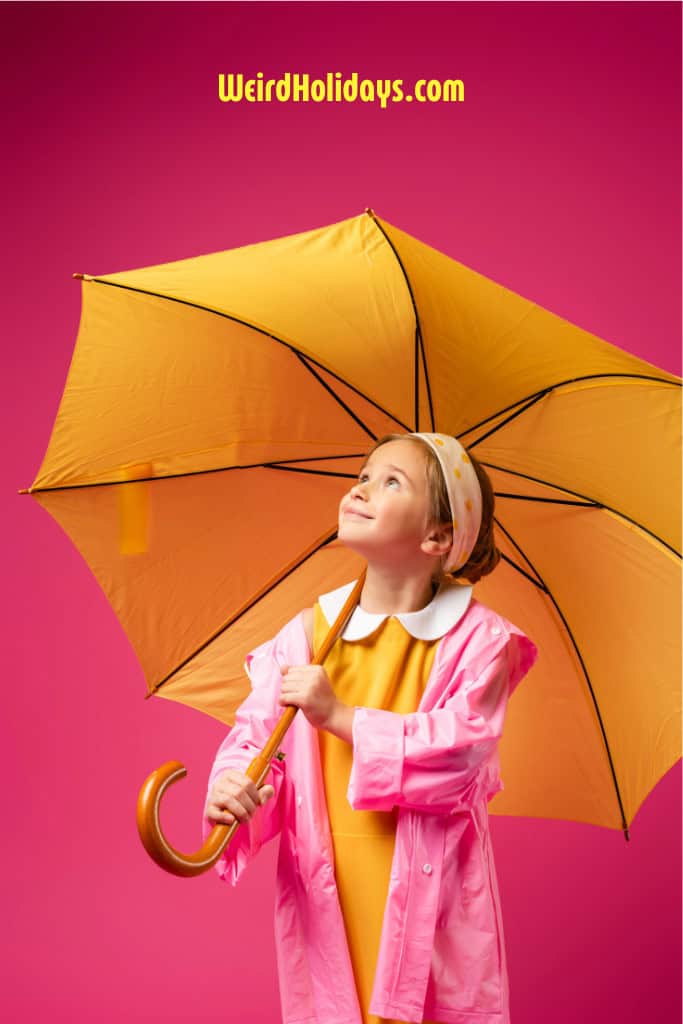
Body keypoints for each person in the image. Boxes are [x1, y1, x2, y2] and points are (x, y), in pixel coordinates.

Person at [204, 432, 537, 1024]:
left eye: (390, 481)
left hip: (431, 910)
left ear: (437, 536)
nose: (361, 487)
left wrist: (339, 717)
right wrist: (235, 786)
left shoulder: (480, 643)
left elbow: (460, 752)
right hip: (330, 897)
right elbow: (260, 743)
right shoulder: (307, 636)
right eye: (363, 473)